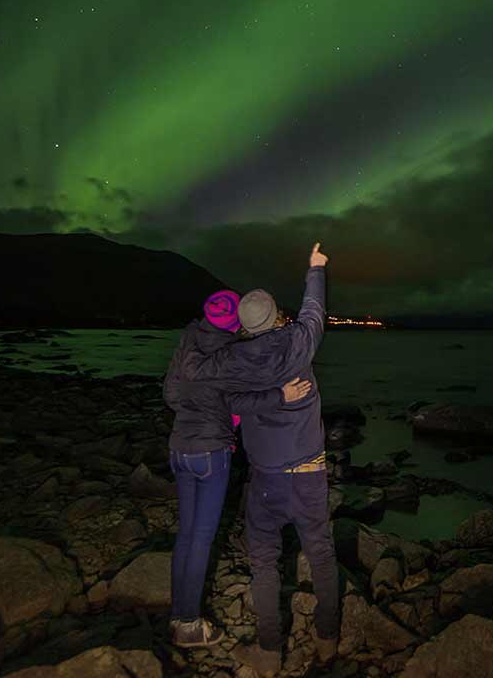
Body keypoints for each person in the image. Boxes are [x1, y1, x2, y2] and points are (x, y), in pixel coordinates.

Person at [178, 242, 335, 677]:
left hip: (265, 480)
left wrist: (198, 333)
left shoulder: (231, 359)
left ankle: (269, 652)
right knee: (321, 554)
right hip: (308, 475)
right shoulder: (298, 345)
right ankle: (326, 640)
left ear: (244, 326)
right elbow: (314, 312)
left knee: (264, 563)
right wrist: (315, 268)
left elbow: (210, 386)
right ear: (275, 316)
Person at [162, 289, 314, 647]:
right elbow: (241, 401)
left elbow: (171, 394)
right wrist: (283, 396)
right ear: (234, 322)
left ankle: (177, 615)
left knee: (185, 535)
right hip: (211, 453)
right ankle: (188, 624)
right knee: (201, 538)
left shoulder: (188, 340)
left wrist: (196, 410)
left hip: (179, 448)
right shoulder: (229, 354)